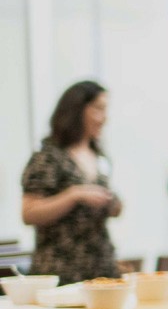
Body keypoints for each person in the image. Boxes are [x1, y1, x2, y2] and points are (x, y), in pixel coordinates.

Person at [19, 80, 122, 283]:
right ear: (77, 110)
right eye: (99, 109)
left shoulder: (99, 156)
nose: (104, 118)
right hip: (60, 270)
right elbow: (29, 212)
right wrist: (73, 195)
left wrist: (113, 204)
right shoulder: (48, 156)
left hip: (100, 269)